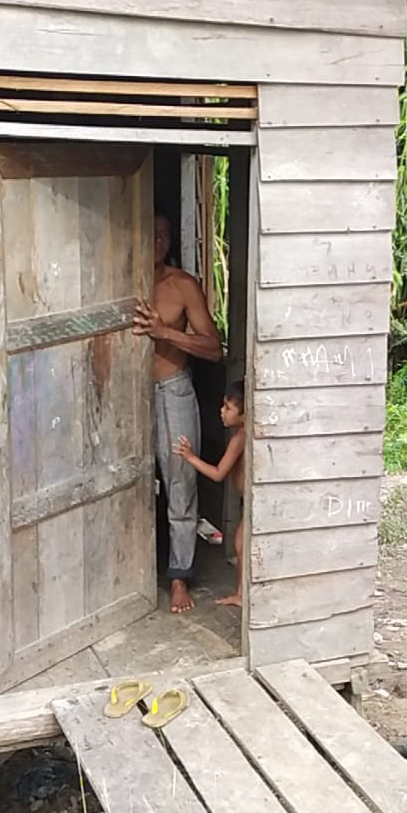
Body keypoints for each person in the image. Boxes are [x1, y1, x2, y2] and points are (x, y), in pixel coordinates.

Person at [132, 213, 223, 614]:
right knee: (122, 483)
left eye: (164, 233)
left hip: (172, 389)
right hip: (124, 396)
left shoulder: (182, 285)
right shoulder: (114, 280)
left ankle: (179, 575)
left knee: (181, 480)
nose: (158, 240)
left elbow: (213, 348)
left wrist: (165, 332)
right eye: (150, 233)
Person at [174, 379, 247, 607]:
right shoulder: (244, 435)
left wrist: (190, 457)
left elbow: (218, 474)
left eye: (228, 408)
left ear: (244, 415)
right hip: (250, 502)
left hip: (253, 503)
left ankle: (244, 594)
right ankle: (242, 593)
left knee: (242, 545)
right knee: (241, 545)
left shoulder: (239, 439)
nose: (221, 411)